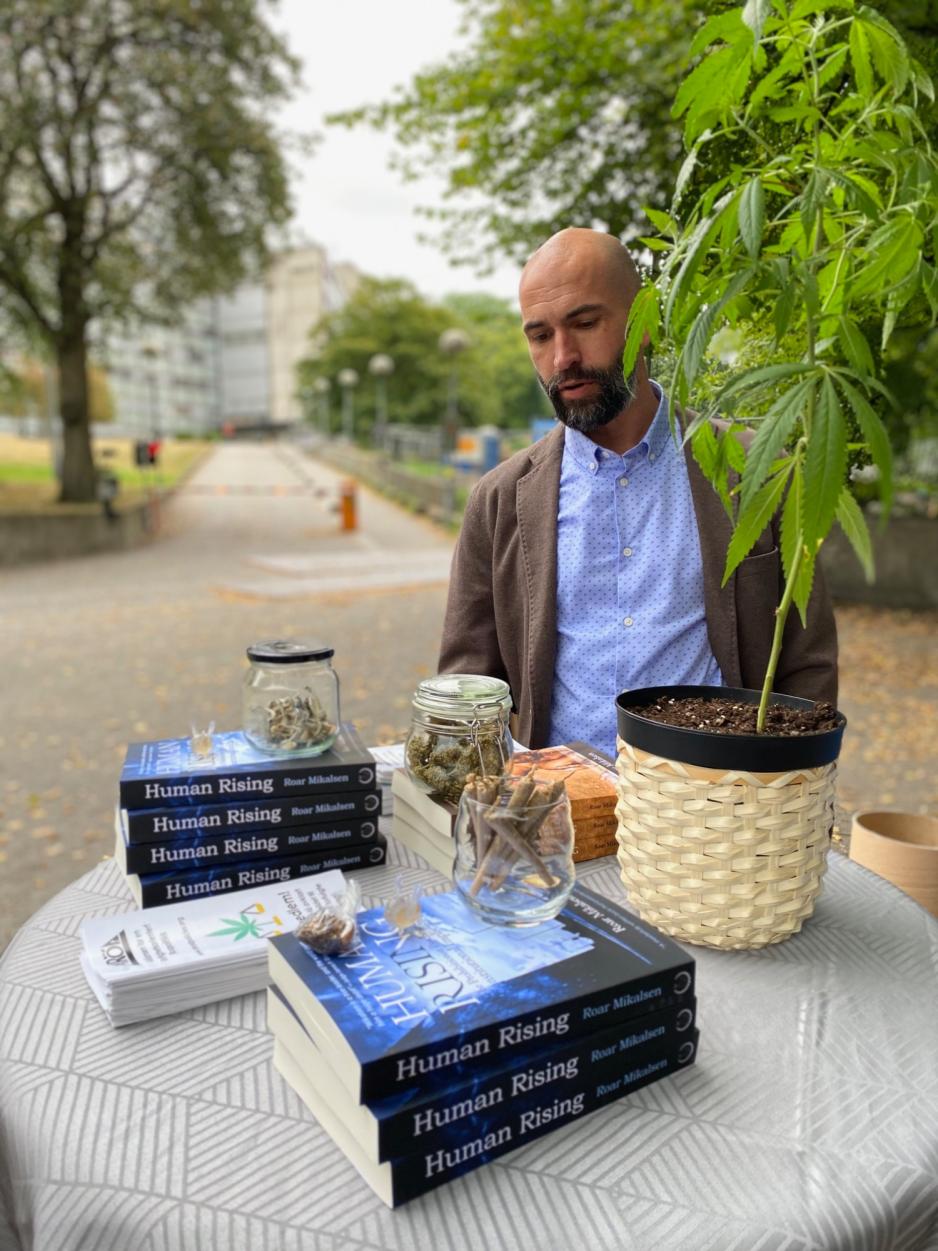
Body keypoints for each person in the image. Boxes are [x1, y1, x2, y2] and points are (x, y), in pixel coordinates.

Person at [438, 227, 837, 757]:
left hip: (716, 811)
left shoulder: (755, 471)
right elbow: (467, 684)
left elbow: (808, 661)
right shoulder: (499, 500)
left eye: (584, 323)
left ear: (643, 322)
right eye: (540, 335)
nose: (562, 357)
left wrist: (781, 789)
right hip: (559, 818)